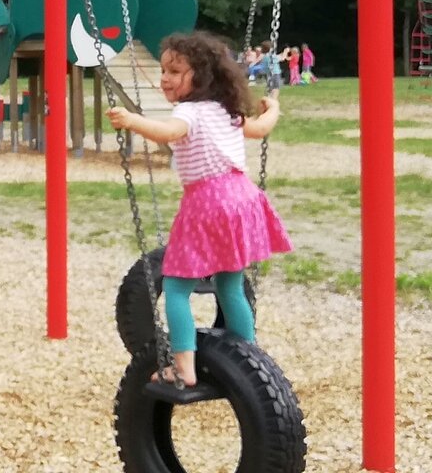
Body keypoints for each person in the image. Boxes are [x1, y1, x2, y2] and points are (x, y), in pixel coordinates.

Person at [106, 31, 292, 387]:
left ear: (201, 77)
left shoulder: (188, 112)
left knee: (176, 289)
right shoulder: (227, 111)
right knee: (230, 286)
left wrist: (132, 121)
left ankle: (184, 368)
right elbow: (261, 128)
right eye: (164, 71)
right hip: (243, 198)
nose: (165, 78)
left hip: (209, 203)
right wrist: (275, 109)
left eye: (175, 72)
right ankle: (249, 364)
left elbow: (168, 132)